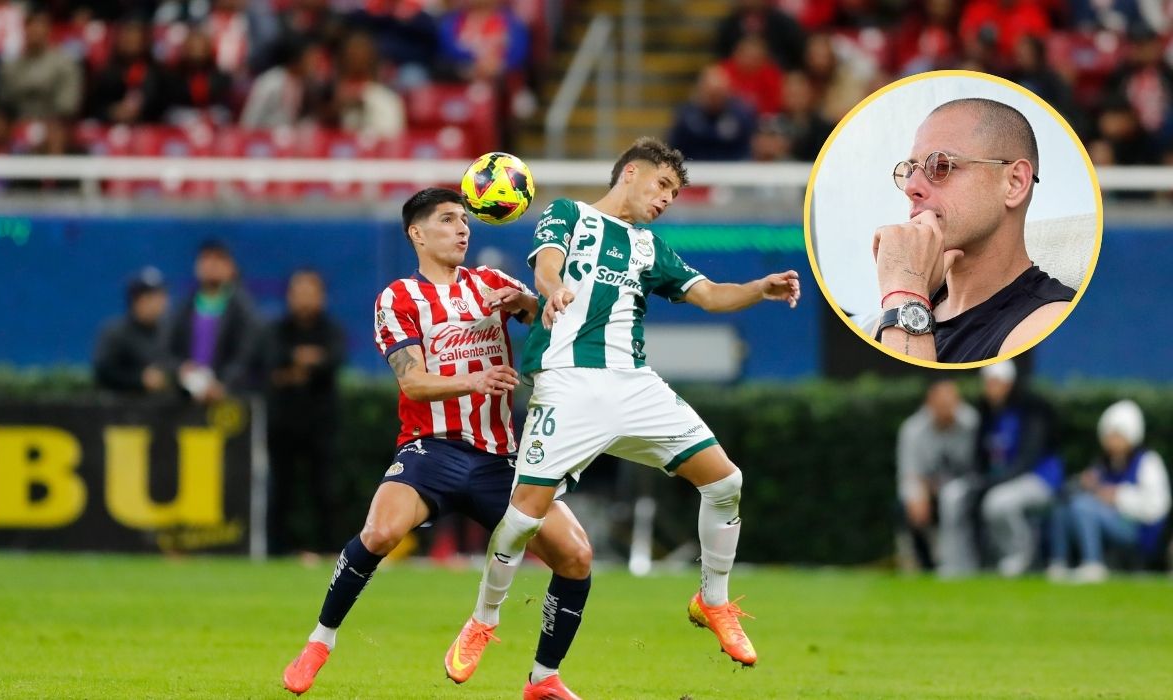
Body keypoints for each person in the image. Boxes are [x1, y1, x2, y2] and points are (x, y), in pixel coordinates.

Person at [444, 138, 801, 694]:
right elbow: (548, 267)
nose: (666, 199)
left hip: (633, 386)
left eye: (675, 194)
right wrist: (555, 287)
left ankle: (713, 601)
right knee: (521, 519)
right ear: (630, 173)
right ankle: (483, 622)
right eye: (662, 185)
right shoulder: (567, 213)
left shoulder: (650, 247)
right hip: (567, 385)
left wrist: (759, 288)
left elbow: (708, 295)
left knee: (726, 480)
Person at [281, 188, 593, 698]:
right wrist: (474, 381)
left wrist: (529, 303)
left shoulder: (493, 283)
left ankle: (544, 678)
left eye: (466, 220)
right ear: (417, 234)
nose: (463, 228)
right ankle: (321, 641)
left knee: (577, 557)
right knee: (381, 533)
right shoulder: (398, 298)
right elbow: (414, 384)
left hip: (500, 458)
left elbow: (557, 321)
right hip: (433, 449)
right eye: (448, 219)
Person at [873, 97, 1076, 363]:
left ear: (1014, 183)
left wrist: (905, 292)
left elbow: (905, 397)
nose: (912, 187)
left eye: (941, 166)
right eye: (910, 170)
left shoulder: (1048, 320)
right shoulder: (917, 298)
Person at [938, 360, 1063, 577]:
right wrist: (977, 481)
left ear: (1009, 384)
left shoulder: (1032, 410)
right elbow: (980, 459)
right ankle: (957, 563)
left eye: (995, 382)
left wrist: (988, 483)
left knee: (997, 503)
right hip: (997, 480)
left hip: (1038, 478)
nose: (990, 388)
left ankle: (1019, 557)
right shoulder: (987, 414)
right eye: (987, 383)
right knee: (952, 495)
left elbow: (1027, 460)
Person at [265, 269, 346, 556]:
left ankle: (329, 551)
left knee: (323, 490)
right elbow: (271, 362)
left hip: (320, 423)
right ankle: (274, 551)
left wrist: (296, 368)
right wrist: (306, 362)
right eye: (298, 292)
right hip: (283, 423)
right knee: (279, 490)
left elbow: (333, 361)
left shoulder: (332, 329)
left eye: (310, 292)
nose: (304, 299)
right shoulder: (276, 329)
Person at [1048, 400, 1170, 583]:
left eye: (1117, 435)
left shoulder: (1148, 461)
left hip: (1136, 528)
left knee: (1083, 506)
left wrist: (1118, 496)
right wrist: (1085, 485)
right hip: (1107, 521)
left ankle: (1093, 563)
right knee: (1064, 506)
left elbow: (1157, 507)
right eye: (1108, 435)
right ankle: (1059, 563)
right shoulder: (1103, 464)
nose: (1111, 440)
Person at [166, 239, 263, 403]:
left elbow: (246, 355)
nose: (210, 265)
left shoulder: (244, 310)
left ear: (231, 267)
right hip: (186, 397)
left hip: (229, 398)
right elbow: (167, 350)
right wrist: (180, 369)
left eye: (218, 259)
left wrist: (223, 384)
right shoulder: (183, 308)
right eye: (205, 259)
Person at [897, 379, 978, 571]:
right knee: (908, 504)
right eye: (941, 405)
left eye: (951, 404)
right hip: (927, 488)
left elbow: (978, 466)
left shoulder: (972, 424)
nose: (946, 410)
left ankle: (963, 562)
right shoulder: (913, 429)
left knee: (953, 499)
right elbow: (909, 473)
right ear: (930, 403)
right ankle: (924, 565)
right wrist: (918, 495)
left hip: (964, 487)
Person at [93, 266, 174, 395]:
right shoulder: (115, 332)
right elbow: (103, 373)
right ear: (137, 301)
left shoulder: (167, 331)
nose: (161, 302)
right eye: (152, 297)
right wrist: (139, 380)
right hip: (119, 410)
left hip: (160, 410)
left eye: (162, 295)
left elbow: (171, 363)